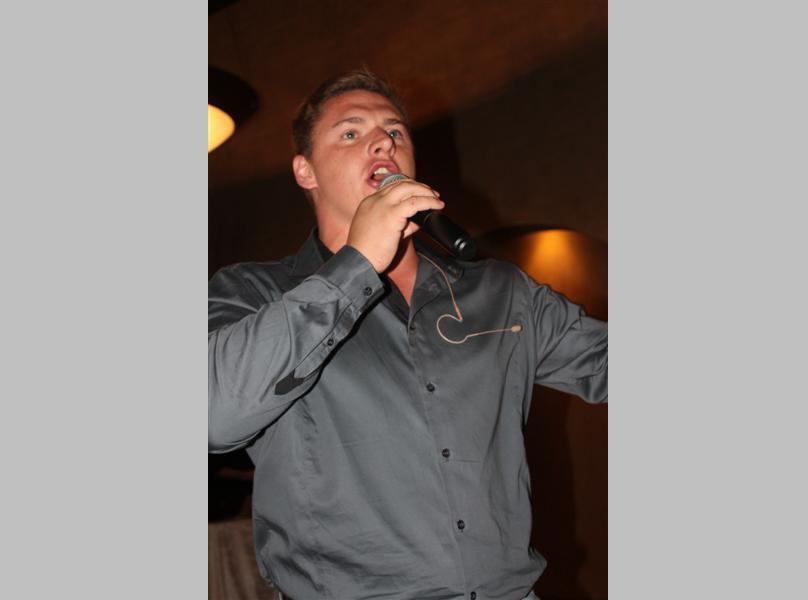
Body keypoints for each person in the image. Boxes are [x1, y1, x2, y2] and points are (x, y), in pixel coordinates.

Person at [208, 69, 607, 600]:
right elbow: (212, 413)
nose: (383, 141)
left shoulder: (500, 292)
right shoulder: (253, 292)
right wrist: (357, 264)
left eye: (394, 131)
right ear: (306, 171)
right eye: (351, 132)